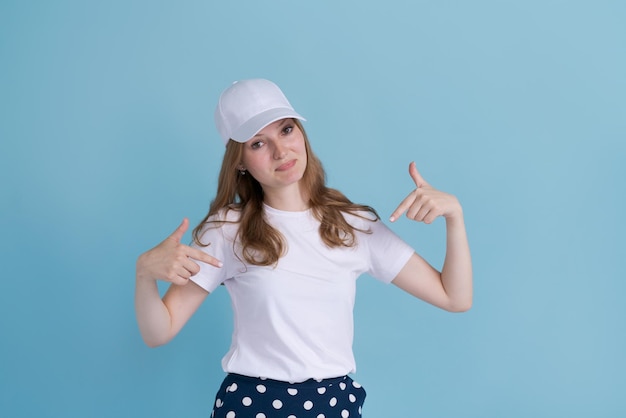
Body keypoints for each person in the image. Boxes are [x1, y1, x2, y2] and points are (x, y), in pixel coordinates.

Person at [135, 78, 473, 418]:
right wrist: (144, 275)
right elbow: (159, 331)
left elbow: (454, 297)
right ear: (239, 161)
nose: (281, 152)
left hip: (332, 404)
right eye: (257, 143)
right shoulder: (227, 230)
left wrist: (454, 217)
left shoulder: (353, 225)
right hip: (251, 406)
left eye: (286, 130)